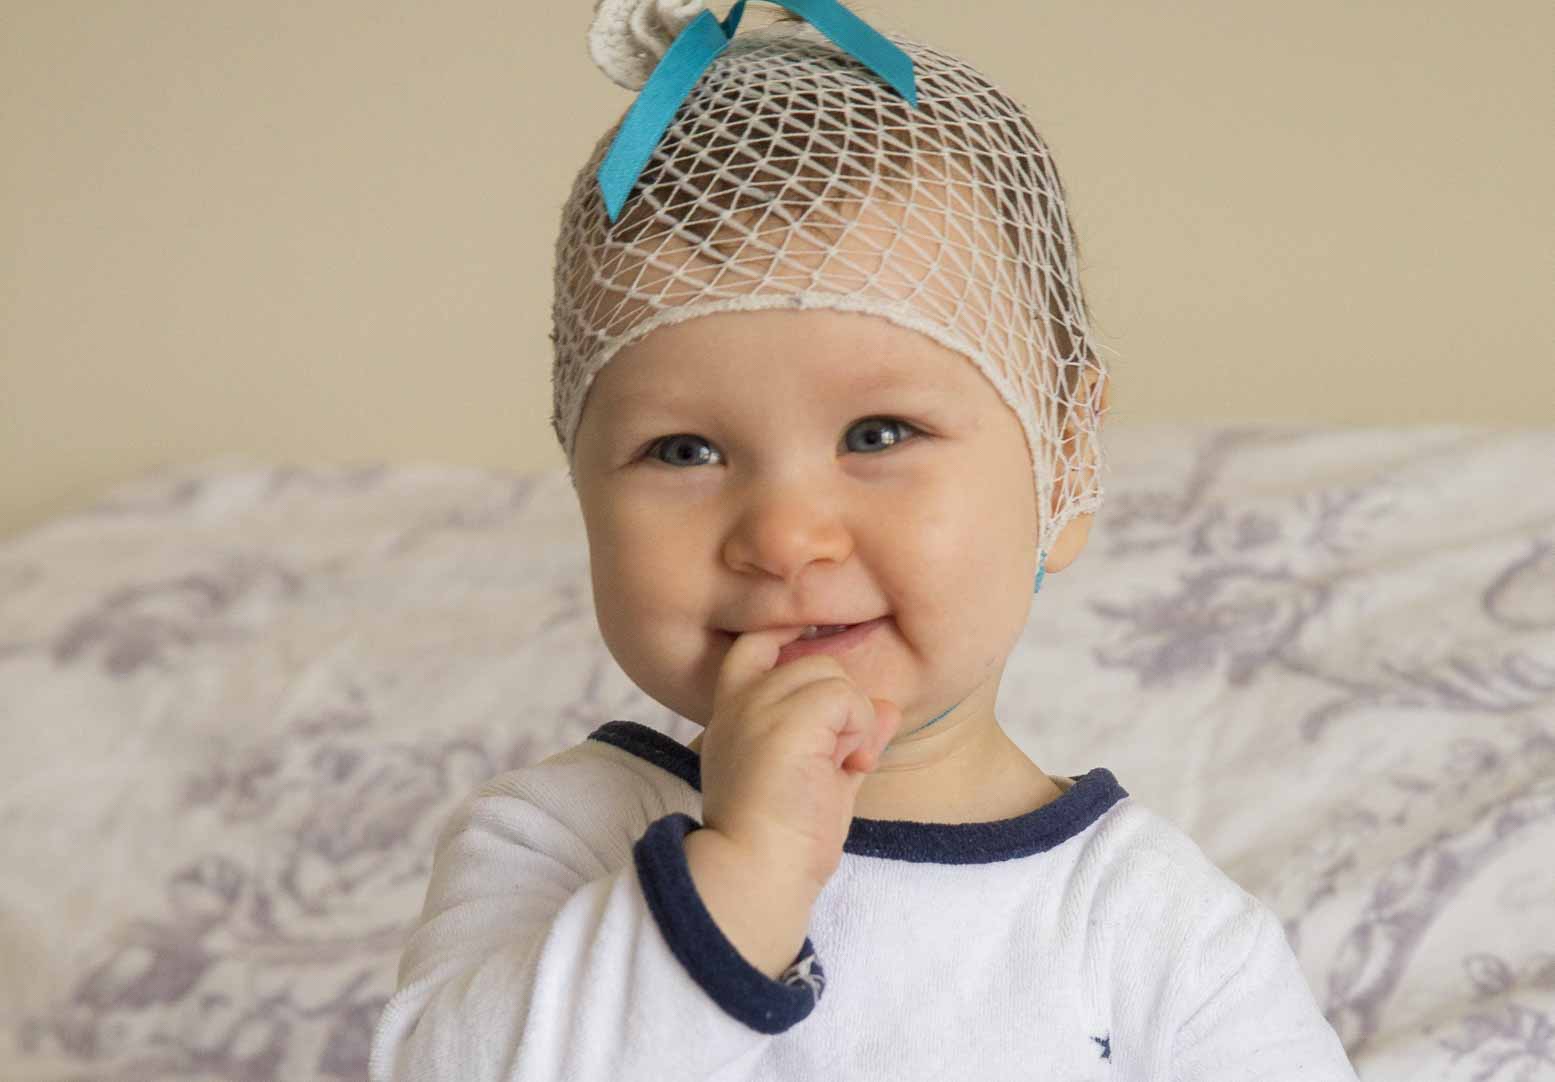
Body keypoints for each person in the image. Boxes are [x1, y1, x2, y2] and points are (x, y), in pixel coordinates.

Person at [369, 2, 1361, 1078]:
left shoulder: (1157, 931)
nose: (785, 534)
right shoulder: (556, 838)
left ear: (1061, 463)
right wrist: (741, 871)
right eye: (683, 450)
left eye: (877, 433)